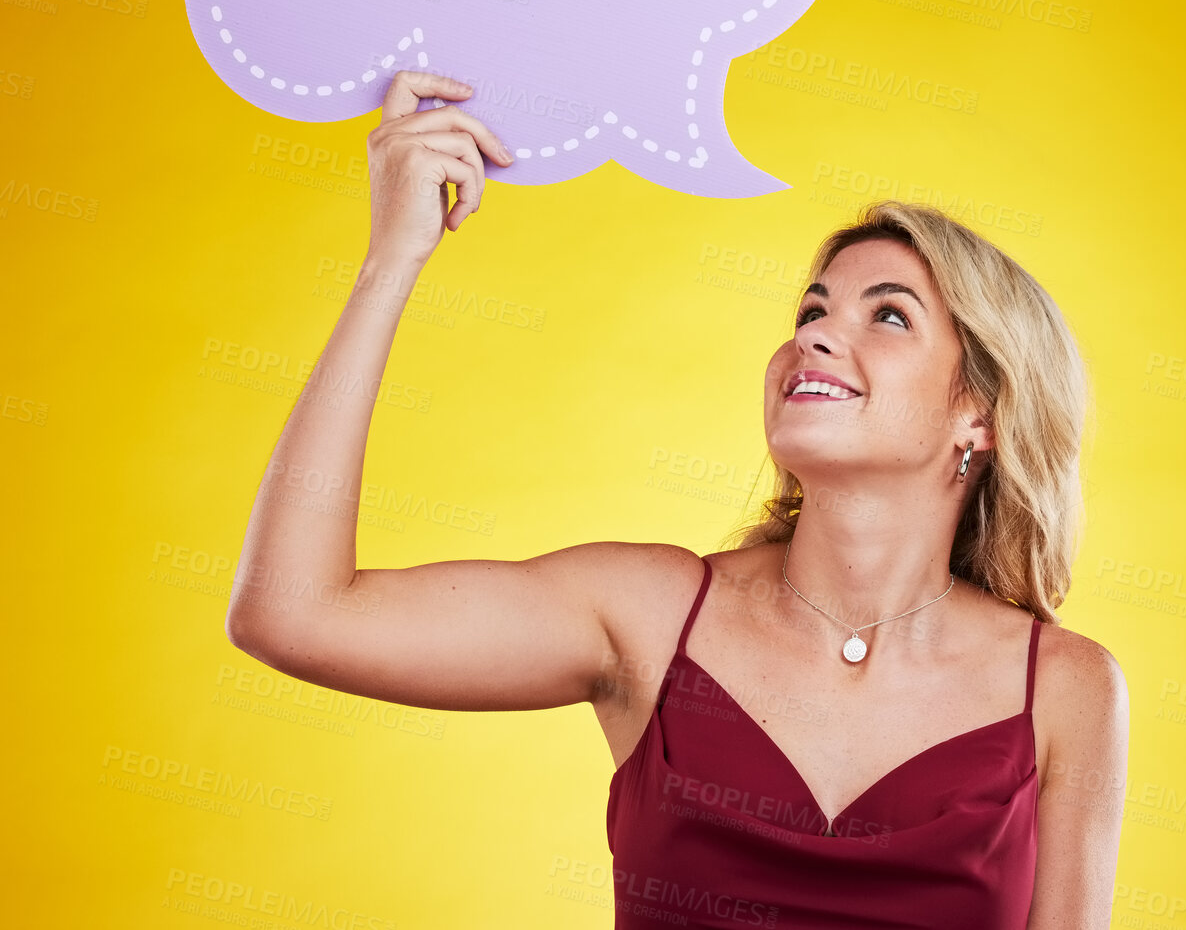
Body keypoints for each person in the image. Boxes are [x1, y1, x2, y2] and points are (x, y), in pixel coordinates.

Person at [226, 70, 1128, 929]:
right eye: (811, 313)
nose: (815, 339)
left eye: (886, 316)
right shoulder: (650, 615)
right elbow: (293, 614)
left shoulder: (1066, 689)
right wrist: (391, 261)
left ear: (982, 413)